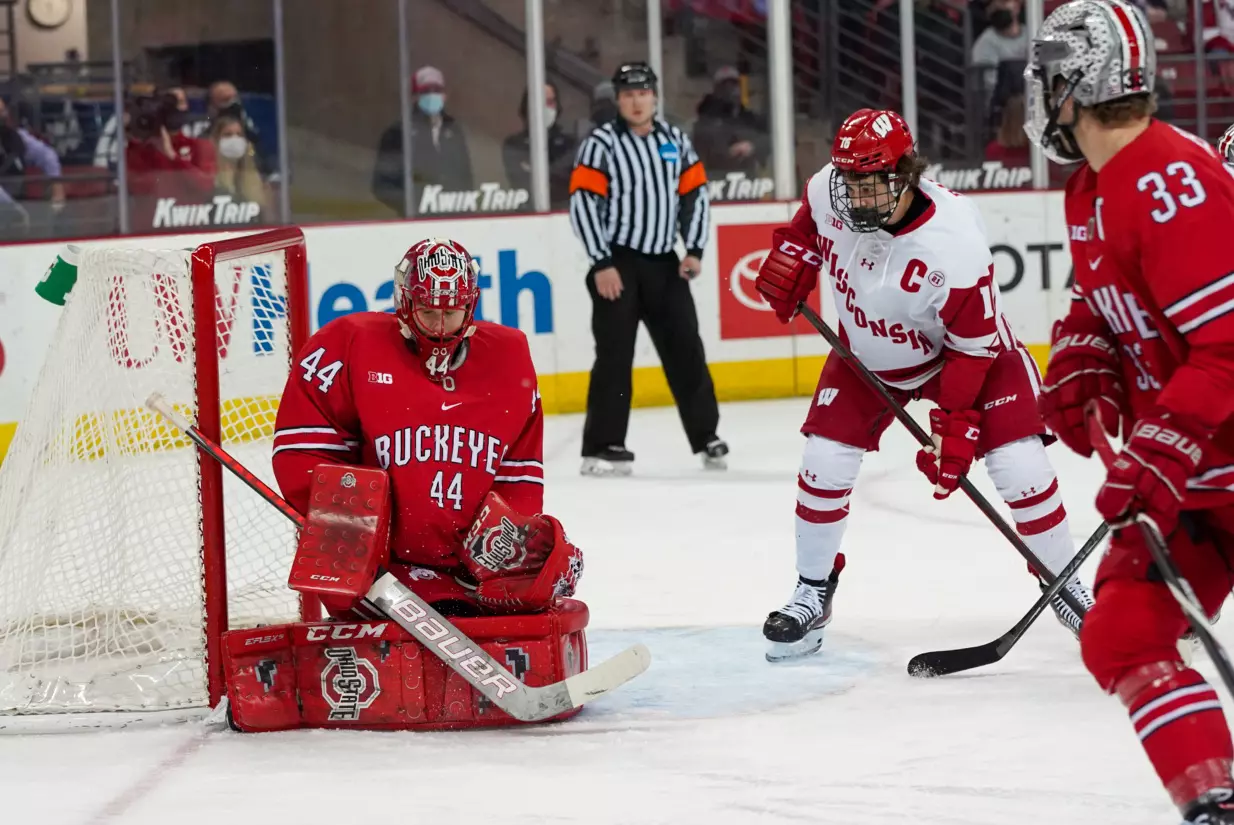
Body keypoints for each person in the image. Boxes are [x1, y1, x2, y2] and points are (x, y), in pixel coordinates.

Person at [753, 107, 1092, 662]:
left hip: (967, 357)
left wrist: (954, 426)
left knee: (1020, 466)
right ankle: (813, 592)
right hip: (867, 355)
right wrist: (794, 258)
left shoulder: (953, 240)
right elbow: (806, 231)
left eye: (869, 184)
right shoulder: (829, 192)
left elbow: (972, 347)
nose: (854, 198)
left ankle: (1065, 584)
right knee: (824, 461)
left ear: (904, 176)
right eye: (848, 182)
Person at [1026, 2, 1234, 822]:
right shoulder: (1093, 188)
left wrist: (1157, 451)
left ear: (1076, 85)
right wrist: (1085, 346)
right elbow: (1115, 300)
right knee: (1119, 631)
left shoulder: (1168, 179)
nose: (1043, 97)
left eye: (1051, 81)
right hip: (1201, 481)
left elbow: (1226, 342)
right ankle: (1215, 799)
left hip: (1199, 464)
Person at [246, 238, 585, 731]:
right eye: (429, 312)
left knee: (547, 558)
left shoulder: (510, 356)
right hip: (379, 579)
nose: (442, 326)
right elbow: (302, 449)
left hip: (469, 578)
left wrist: (506, 536)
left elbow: (519, 470)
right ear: (406, 301)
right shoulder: (349, 343)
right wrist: (347, 530)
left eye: (454, 312)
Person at [569, 61, 727, 475]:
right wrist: (601, 262)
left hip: (664, 264)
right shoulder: (600, 143)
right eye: (627, 95)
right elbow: (584, 204)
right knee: (614, 357)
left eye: (642, 93)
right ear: (617, 100)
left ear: (655, 96)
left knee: (686, 350)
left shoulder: (675, 139)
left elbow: (695, 196)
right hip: (617, 263)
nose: (636, 102)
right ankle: (603, 445)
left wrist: (693, 249)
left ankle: (706, 435)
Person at [372, 66, 475, 216]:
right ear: (415, 97)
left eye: (437, 91)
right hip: (417, 221)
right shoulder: (397, 133)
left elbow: (466, 178)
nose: (432, 96)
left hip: (454, 219)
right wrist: (413, 207)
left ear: (445, 95)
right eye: (426, 92)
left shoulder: (453, 130)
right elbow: (382, 186)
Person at [501, 82, 576, 209]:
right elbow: (524, 184)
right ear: (527, 106)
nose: (546, 108)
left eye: (550, 102)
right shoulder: (513, 145)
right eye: (540, 102)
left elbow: (568, 187)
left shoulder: (570, 145)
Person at [692, 66, 770, 179]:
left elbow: (778, 138)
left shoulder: (748, 118)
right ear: (716, 90)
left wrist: (752, 146)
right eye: (725, 86)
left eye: (734, 84)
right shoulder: (705, 119)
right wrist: (730, 151)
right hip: (716, 181)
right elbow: (703, 149)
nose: (731, 90)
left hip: (748, 184)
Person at [209, 114, 270, 217]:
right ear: (216, 139)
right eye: (228, 134)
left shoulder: (254, 177)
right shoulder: (208, 176)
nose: (234, 139)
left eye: (239, 135)